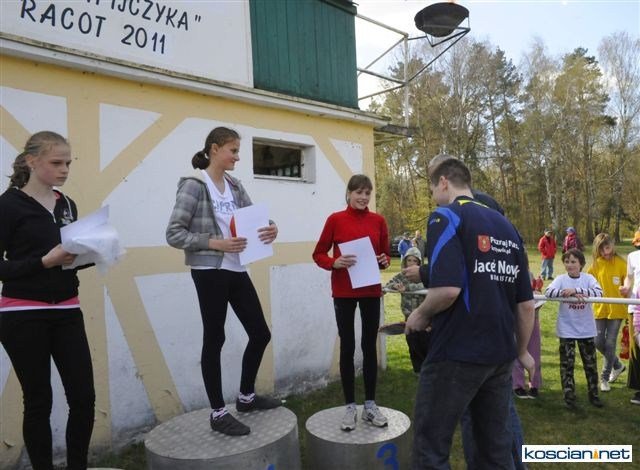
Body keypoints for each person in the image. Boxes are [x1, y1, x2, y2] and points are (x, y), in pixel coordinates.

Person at [404, 157, 534, 469]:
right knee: (495, 451)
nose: (434, 196)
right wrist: (521, 351)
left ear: (444, 182)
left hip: (456, 351)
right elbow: (526, 304)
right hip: (500, 355)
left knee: (430, 448)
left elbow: (448, 290)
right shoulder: (507, 227)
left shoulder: (446, 216)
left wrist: (419, 315)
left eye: (432, 189)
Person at [166, 127, 281, 437]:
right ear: (214, 149)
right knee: (215, 339)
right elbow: (174, 234)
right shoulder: (194, 185)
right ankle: (218, 413)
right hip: (209, 271)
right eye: (233, 150)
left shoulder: (234, 186)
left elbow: (254, 219)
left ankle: (246, 398)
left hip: (237, 269)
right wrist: (216, 243)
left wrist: (270, 227)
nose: (237, 157)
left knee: (260, 333)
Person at [0, 131, 96, 470]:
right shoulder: (8, 205)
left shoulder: (67, 204)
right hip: (23, 313)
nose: (64, 169)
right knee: (39, 401)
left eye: (68, 163)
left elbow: (67, 257)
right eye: (57, 162)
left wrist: (89, 255)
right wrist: (44, 262)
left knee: (84, 398)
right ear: (32, 161)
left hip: (68, 309)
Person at [312, 174, 390, 431]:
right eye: (359, 192)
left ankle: (369, 405)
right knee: (347, 346)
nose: (363, 197)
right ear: (349, 193)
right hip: (344, 292)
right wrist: (334, 262)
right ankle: (349, 407)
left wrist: (383, 261)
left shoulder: (378, 221)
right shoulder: (335, 220)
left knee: (369, 346)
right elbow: (318, 253)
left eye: (367, 193)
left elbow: (385, 256)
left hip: (370, 291)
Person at [545, 249, 604, 408]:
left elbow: (599, 293)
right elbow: (548, 292)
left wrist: (577, 290)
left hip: (586, 330)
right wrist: (566, 293)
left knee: (590, 365)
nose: (570, 265)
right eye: (567, 261)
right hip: (567, 330)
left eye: (573, 262)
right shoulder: (560, 279)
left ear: (581, 264)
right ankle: (569, 396)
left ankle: (594, 394)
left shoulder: (588, 278)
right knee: (567, 365)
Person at [587, 233, 628, 393]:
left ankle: (604, 378)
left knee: (610, 343)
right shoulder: (595, 265)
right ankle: (617, 365)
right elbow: (588, 284)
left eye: (608, 248)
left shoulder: (622, 263)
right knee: (597, 341)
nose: (606, 252)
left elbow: (629, 284)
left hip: (617, 310)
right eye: (601, 250)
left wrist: (626, 289)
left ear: (612, 245)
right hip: (599, 309)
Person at [383, 247, 429, 373]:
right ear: (405, 261)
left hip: (424, 317)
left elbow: (424, 286)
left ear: (419, 262)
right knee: (412, 344)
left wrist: (407, 288)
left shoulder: (424, 276)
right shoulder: (402, 275)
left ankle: (428, 370)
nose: (412, 263)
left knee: (425, 343)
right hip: (409, 318)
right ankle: (417, 371)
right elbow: (389, 284)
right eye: (409, 260)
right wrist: (395, 285)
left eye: (415, 261)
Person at [513, 272, 544, 399]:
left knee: (534, 352)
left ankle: (534, 384)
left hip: (532, 319)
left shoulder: (529, 275)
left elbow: (536, 296)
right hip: (515, 319)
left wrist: (538, 292)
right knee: (517, 352)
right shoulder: (509, 272)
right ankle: (518, 385)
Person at [620, 238, 640, 404]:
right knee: (636, 350)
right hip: (635, 306)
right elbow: (629, 277)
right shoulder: (632, 256)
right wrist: (626, 287)